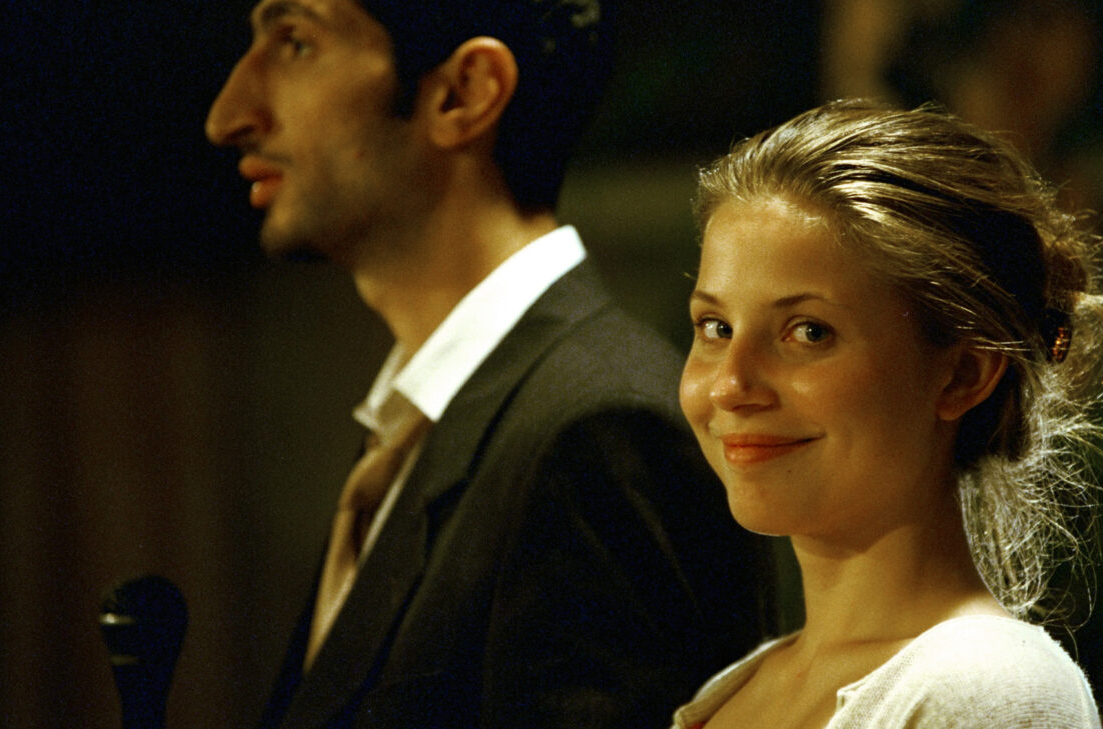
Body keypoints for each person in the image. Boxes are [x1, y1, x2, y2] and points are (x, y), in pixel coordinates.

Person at [204, 1, 775, 727]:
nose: (228, 117)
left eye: (295, 43)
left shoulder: (597, 430)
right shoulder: (426, 419)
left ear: (464, 93)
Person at [670, 99, 1103, 729]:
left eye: (809, 332)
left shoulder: (986, 690)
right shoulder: (737, 689)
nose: (731, 385)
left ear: (962, 375)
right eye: (716, 327)